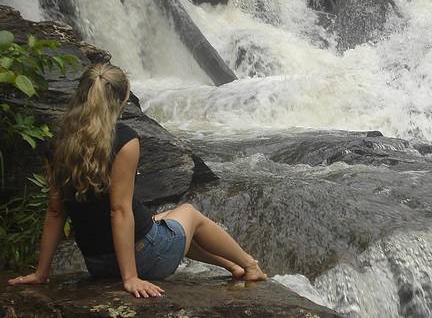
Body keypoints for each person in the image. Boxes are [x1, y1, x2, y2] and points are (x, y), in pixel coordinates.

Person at [8, 63, 266, 298]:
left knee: (163, 220)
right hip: (143, 259)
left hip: (97, 264)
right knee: (189, 213)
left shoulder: (57, 143)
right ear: (123, 100)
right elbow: (119, 210)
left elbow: (55, 212)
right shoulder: (124, 139)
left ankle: (231, 265)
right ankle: (250, 264)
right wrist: (130, 277)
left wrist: (41, 274)